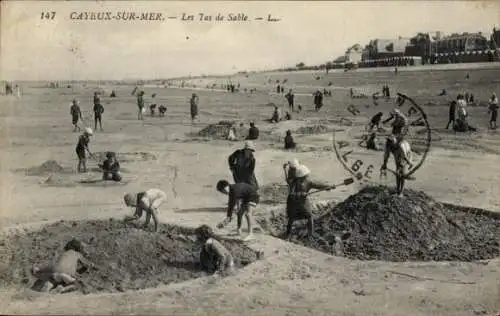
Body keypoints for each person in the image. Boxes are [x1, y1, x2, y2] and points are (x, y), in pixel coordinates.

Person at [283, 161, 333, 239]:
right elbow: (318, 185)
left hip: (292, 202)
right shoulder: (308, 182)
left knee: (291, 218)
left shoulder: (293, 181)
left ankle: (288, 235)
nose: (308, 175)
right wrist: (328, 187)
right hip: (302, 203)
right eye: (307, 175)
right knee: (309, 216)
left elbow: (287, 180)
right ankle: (311, 234)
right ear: (304, 175)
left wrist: (285, 170)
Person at [31, 238, 96, 293]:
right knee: (76, 284)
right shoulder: (78, 254)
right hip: (68, 273)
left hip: (56, 271)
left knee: (53, 276)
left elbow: (54, 264)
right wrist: (91, 265)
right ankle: (63, 289)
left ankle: (39, 271)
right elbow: (86, 265)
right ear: (78, 248)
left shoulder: (64, 253)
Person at [381, 108, 410, 173]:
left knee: (388, 145)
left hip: (396, 135)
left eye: (395, 114)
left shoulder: (399, 119)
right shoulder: (402, 118)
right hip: (400, 135)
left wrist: (390, 119)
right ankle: (407, 161)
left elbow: (391, 124)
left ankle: (385, 164)